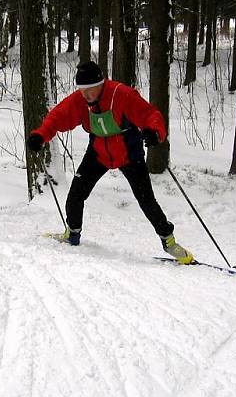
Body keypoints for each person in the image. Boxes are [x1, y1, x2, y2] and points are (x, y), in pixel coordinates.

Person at [26, 60, 193, 264]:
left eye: (89, 90)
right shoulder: (80, 101)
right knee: (76, 194)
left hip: (129, 154)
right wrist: (40, 135)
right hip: (98, 153)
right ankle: (72, 234)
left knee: (146, 201)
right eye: (81, 90)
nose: (85, 94)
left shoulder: (121, 94)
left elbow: (150, 114)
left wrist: (153, 132)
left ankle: (169, 242)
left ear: (101, 84)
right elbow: (58, 117)